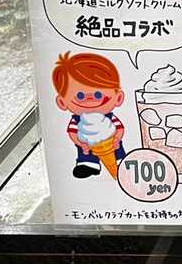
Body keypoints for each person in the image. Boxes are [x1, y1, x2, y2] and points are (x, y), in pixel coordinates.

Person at [52, 51, 127, 179]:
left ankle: (121, 161)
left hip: (112, 143)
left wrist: (117, 139)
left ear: (118, 98)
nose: (90, 99)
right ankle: (89, 164)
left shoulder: (110, 118)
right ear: (62, 102)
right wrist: (80, 143)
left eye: (98, 94)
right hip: (86, 145)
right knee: (84, 152)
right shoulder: (77, 121)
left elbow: (119, 128)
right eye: (80, 96)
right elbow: (72, 132)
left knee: (118, 150)